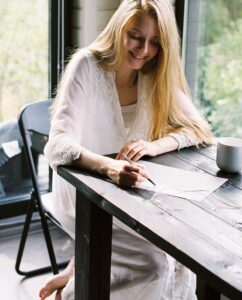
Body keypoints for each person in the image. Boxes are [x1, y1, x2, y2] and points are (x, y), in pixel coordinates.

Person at [39, 0, 212, 299]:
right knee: (155, 266)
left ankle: (77, 271)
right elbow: (56, 146)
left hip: (131, 195)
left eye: (155, 42)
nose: (144, 50)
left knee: (184, 254)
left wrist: (153, 146)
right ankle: (74, 289)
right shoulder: (87, 65)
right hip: (84, 192)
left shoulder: (153, 74)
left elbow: (199, 130)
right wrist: (109, 167)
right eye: (135, 35)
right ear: (119, 27)